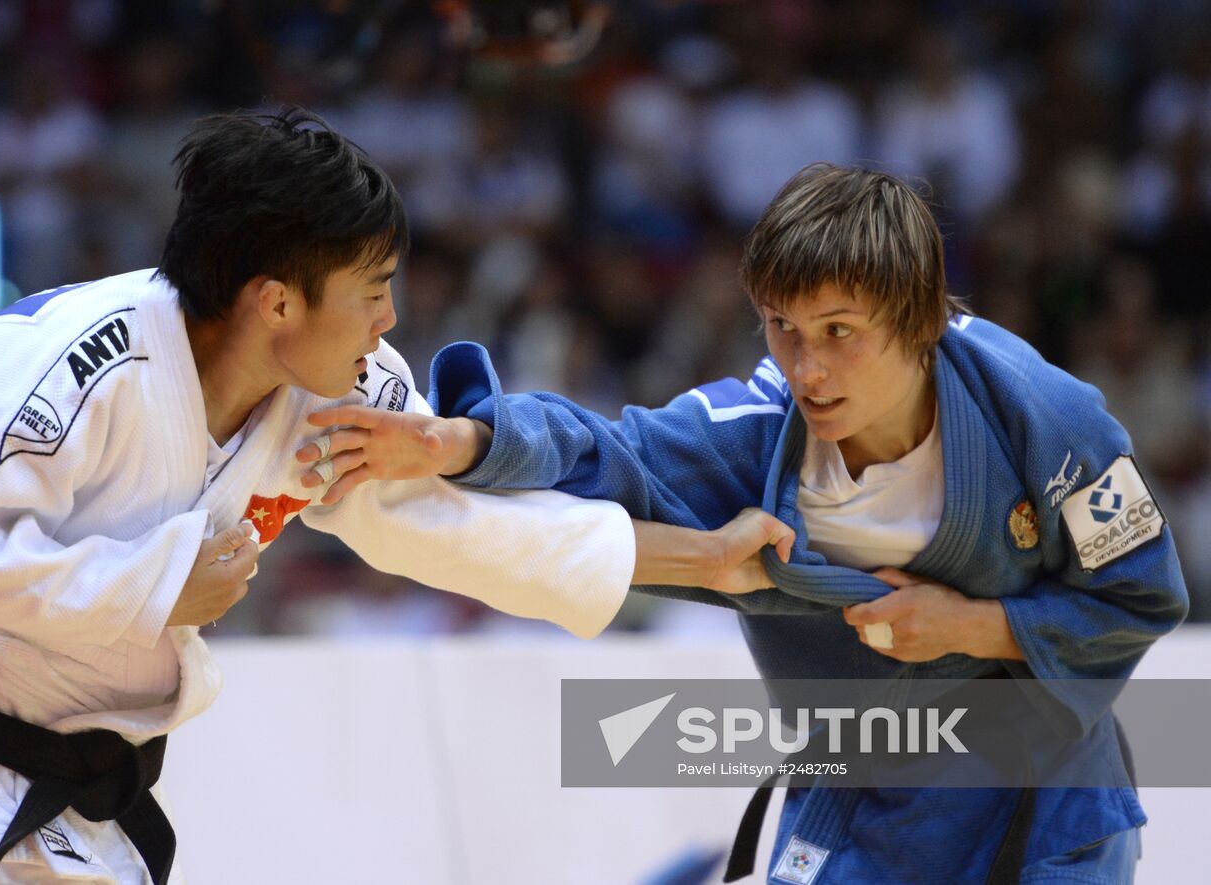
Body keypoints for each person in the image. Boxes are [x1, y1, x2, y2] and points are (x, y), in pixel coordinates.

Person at [0, 108, 792, 884]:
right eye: (371, 288)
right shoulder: (64, 359)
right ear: (275, 299)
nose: (391, 318)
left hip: (88, 802)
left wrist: (698, 560)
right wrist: (153, 582)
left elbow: (468, 531)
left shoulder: (330, 396)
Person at [298, 164, 1190, 883]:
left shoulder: (1045, 416)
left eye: (841, 330)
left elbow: (1141, 596)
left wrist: (979, 625)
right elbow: (609, 450)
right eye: (781, 326)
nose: (808, 366)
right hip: (867, 806)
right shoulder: (761, 432)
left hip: (1043, 810)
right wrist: (459, 439)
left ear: (919, 318)